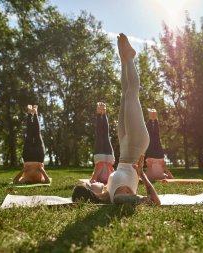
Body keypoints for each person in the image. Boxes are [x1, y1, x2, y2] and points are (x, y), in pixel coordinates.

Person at [72, 33, 160, 205]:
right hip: (136, 146)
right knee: (131, 96)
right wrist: (141, 175)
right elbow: (155, 202)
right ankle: (130, 58)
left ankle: (124, 60)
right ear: (91, 194)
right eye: (89, 185)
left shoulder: (108, 194)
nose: (91, 182)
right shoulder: (119, 197)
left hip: (126, 148)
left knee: (124, 95)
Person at [13, 105, 51, 184]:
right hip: (39, 158)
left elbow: (15, 181)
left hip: (28, 157)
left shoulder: (25, 180)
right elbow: (48, 182)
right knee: (37, 133)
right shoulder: (40, 180)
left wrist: (23, 170)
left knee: (29, 134)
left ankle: (30, 113)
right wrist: (42, 171)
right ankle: (35, 113)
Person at [90, 102, 115, 184]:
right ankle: (104, 113)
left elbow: (93, 179)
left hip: (100, 158)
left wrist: (94, 179)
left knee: (100, 134)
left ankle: (99, 113)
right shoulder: (112, 179)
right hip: (109, 159)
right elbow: (114, 172)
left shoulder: (98, 178)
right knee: (106, 134)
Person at [145, 109, 173, 181]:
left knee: (153, 137)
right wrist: (165, 169)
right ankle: (153, 118)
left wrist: (149, 167)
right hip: (157, 158)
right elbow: (171, 177)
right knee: (155, 137)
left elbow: (149, 169)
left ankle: (152, 118)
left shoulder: (152, 177)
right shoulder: (163, 176)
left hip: (154, 158)